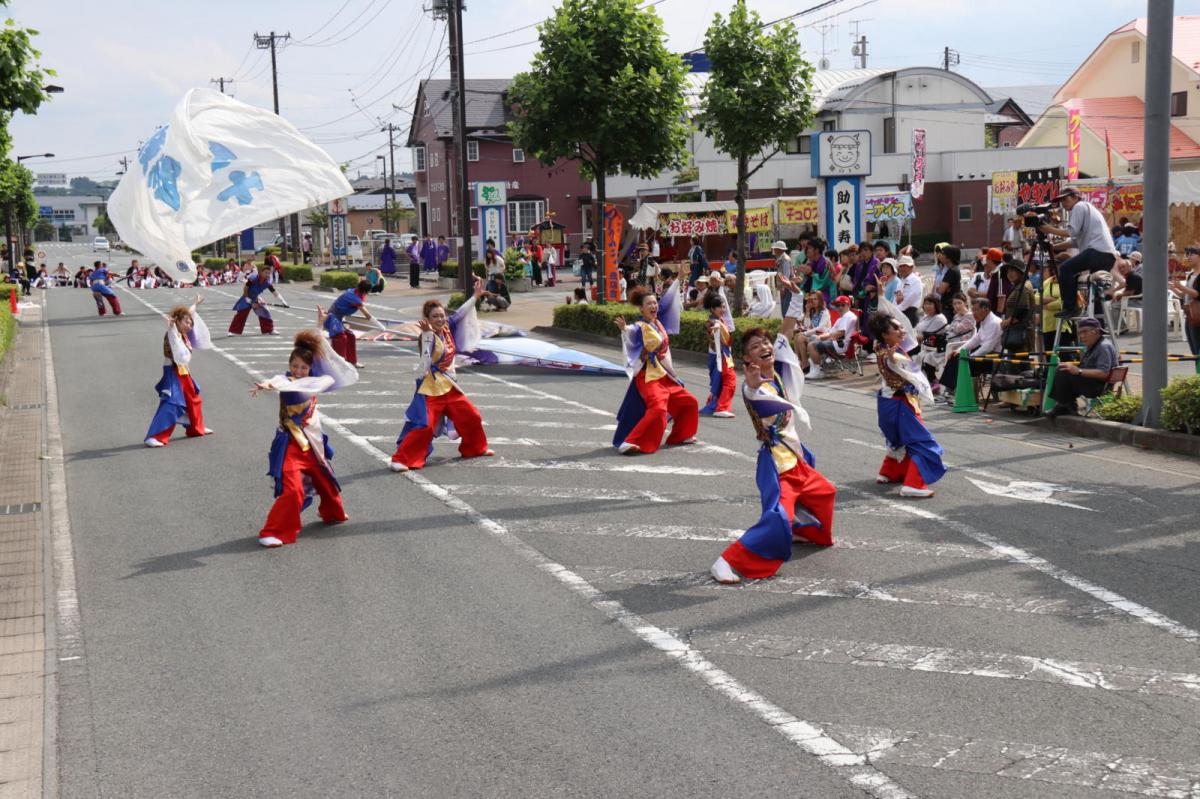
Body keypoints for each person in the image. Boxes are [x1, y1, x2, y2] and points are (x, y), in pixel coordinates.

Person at [710, 328, 835, 584]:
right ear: (747, 358)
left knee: (825, 492)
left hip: (796, 459)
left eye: (766, 342)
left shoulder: (779, 374)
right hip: (778, 465)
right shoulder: (752, 386)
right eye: (755, 346)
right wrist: (754, 383)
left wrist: (796, 294)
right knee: (779, 517)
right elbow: (752, 391)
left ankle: (803, 531)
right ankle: (727, 561)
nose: (764, 346)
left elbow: (786, 328)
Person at [251, 329, 358, 547]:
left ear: (310, 368)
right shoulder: (287, 380)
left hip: (312, 443)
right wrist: (266, 385)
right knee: (293, 490)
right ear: (290, 365)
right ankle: (273, 531)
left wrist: (319, 328)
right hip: (289, 443)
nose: (298, 371)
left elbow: (322, 353)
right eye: (295, 366)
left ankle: (332, 512)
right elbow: (277, 381)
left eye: (303, 367)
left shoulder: (313, 381)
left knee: (326, 481)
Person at [390, 278, 494, 471]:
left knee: (472, 416)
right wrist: (427, 335)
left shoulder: (447, 328)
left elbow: (461, 313)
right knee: (425, 426)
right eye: (435, 317)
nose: (440, 319)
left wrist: (475, 297)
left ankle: (475, 448)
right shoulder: (426, 338)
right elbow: (424, 361)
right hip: (431, 389)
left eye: (441, 315)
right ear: (428, 320)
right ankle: (401, 459)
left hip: (450, 387)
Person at [612, 286, 699, 455]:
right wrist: (624, 329)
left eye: (654, 303)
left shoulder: (658, 323)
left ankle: (681, 435)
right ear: (641, 308)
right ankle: (630, 441)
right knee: (658, 408)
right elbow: (632, 332)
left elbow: (668, 302)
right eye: (649, 304)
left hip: (662, 374)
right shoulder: (640, 326)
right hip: (647, 376)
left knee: (689, 402)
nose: (653, 306)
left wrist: (678, 279)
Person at [870, 313, 945, 498]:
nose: (902, 331)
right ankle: (913, 485)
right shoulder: (892, 355)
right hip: (901, 405)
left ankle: (889, 472)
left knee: (899, 441)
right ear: (885, 334)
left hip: (887, 404)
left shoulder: (880, 346)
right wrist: (894, 359)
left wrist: (881, 297)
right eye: (896, 328)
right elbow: (894, 362)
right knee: (923, 444)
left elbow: (882, 323)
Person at [1039, 187, 1119, 318]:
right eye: (1061, 200)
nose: (1063, 203)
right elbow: (1074, 241)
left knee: (1065, 268)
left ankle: (1070, 307)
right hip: (1107, 255)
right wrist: (1054, 247)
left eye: (1065, 198)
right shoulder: (1087, 208)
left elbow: (1071, 232)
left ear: (1076, 197)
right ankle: (1098, 326)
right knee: (1095, 291)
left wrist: (1048, 229)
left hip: (1097, 251)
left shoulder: (1079, 206)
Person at [144, 298, 213, 447]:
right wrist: (172, 324)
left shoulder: (182, 333)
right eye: (186, 322)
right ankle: (155, 435)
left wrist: (195, 304)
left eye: (191, 323)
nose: (189, 325)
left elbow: (189, 313)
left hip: (183, 371)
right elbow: (175, 324)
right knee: (172, 403)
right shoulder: (172, 331)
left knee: (194, 399)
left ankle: (196, 428)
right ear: (177, 321)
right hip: (172, 370)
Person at [1044, 317, 1118, 418]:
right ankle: (1066, 405)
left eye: (1085, 332)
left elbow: (1104, 373)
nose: (1082, 336)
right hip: (1093, 383)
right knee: (1064, 368)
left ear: (1096, 331)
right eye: (1079, 333)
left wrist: (1078, 371)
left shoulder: (1103, 347)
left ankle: (1066, 405)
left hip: (1100, 387)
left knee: (1063, 371)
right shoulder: (1095, 345)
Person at [938, 298, 1002, 400]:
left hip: (994, 358)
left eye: (976, 310)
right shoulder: (984, 321)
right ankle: (948, 390)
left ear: (985, 309)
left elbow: (987, 347)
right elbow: (975, 340)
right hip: (985, 355)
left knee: (960, 360)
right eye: (972, 310)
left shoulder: (994, 322)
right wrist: (959, 350)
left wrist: (970, 357)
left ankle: (950, 391)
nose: (973, 313)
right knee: (955, 355)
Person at [795, 295, 859, 379]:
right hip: (836, 341)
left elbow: (840, 333)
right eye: (837, 305)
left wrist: (821, 337)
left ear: (849, 305)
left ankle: (817, 370)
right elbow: (831, 332)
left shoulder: (847, 316)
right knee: (800, 337)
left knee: (812, 345)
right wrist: (820, 337)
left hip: (840, 345)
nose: (840, 307)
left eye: (843, 305)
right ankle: (806, 364)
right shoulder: (843, 317)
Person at [320, 279, 375, 367]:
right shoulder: (353, 296)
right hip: (332, 318)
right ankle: (339, 363)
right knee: (341, 337)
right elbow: (367, 315)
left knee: (351, 336)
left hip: (339, 318)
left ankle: (352, 361)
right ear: (365, 290)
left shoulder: (356, 292)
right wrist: (378, 325)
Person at [699, 291, 736, 418]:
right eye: (720, 307)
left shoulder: (719, 320)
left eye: (723, 306)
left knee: (722, 380)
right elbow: (713, 337)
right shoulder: (712, 322)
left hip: (724, 354)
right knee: (729, 381)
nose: (723, 309)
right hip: (719, 356)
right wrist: (715, 328)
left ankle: (715, 403)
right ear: (712, 309)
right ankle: (722, 407)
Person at [228, 263, 282, 336]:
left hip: (255, 298)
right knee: (241, 314)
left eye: (269, 273)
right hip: (246, 298)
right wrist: (247, 298)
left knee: (265, 312)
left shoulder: (267, 282)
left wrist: (282, 301)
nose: (267, 274)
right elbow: (246, 288)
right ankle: (233, 331)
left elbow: (274, 292)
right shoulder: (253, 278)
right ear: (261, 272)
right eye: (266, 272)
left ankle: (269, 330)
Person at [999, 260, 1036, 355]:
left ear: (1020, 272)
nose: (1009, 274)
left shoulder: (1023, 287)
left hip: (1021, 332)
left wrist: (1006, 323)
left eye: (1012, 271)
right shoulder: (1018, 286)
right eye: (1008, 271)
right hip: (1017, 332)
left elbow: (1022, 311)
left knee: (1021, 364)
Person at [913, 296, 949, 390]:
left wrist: (917, 338)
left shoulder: (939, 318)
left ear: (936, 305)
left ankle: (933, 380)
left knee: (913, 353)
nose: (927, 306)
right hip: (924, 344)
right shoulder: (925, 317)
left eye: (930, 304)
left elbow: (929, 335)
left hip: (936, 346)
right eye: (925, 304)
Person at [1169, 245, 1200, 356]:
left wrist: (1181, 287)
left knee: (1198, 347)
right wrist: (1175, 289)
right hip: (1189, 314)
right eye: (1187, 255)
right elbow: (1185, 296)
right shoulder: (1191, 275)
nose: (1188, 257)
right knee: (1193, 349)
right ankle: (1197, 372)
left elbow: (1197, 294)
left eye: (1192, 254)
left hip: (1197, 314)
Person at [1040, 263, 1072, 353]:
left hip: (1062, 325)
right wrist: (1050, 299)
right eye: (1055, 268)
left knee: (1063, 356)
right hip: (1047, 325)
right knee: (1049, 356)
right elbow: (1036, 298)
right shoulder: (1047, 282)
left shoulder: (1068, 282)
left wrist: (1046, 305)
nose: (1057, 270)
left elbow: (1065, 300)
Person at [968, 248, 1004, 312]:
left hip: (995, 312)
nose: (986, 263)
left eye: (987, 259)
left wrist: (998, 314)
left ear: (990, 260)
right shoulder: (996, 273)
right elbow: (970, 292)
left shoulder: (999, 273)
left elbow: (1001, 296)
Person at [894, 254, 923, 326]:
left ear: (911, 267)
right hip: (900, 312)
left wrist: (895, 310)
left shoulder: (915, 280)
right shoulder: (902, 280)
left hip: (910, 313)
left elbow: (910, 299)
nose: (902, 269)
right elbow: (897, 295)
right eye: (900, 266)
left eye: (905, 266)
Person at [934, 245, 963, 317]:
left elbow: (940, 290)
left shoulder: (952, 271)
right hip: (949, 304)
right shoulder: (953, 269)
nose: (940, 256)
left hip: (949, 306)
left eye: (943, 254)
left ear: (949, 257)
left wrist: (939, 288)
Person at [773, 241, 794, 317]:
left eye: (775, 248)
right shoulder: (781, 258)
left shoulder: (785, 259)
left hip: (786, 287)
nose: (774, 250)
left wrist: (783, 287)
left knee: (786, 308)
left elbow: (786, 274)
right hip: (784, 286)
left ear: (779, 249)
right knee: (784, 307)